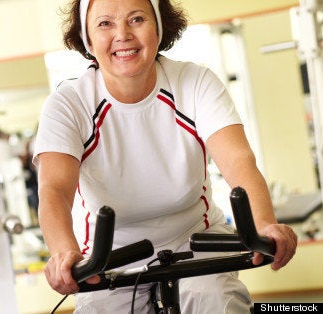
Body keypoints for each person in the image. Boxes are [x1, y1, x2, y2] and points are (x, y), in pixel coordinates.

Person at [33, 0, 298, 312]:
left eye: (137, 19)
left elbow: (239, 162)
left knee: (216, 299)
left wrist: (263, 224)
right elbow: (54, 190)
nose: (122, 35)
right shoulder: (69, 104)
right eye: (105, 24)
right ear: (88, 39)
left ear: (158, 27)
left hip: (196, 238)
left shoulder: (195, 82)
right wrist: (64, 252)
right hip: (113, 251)